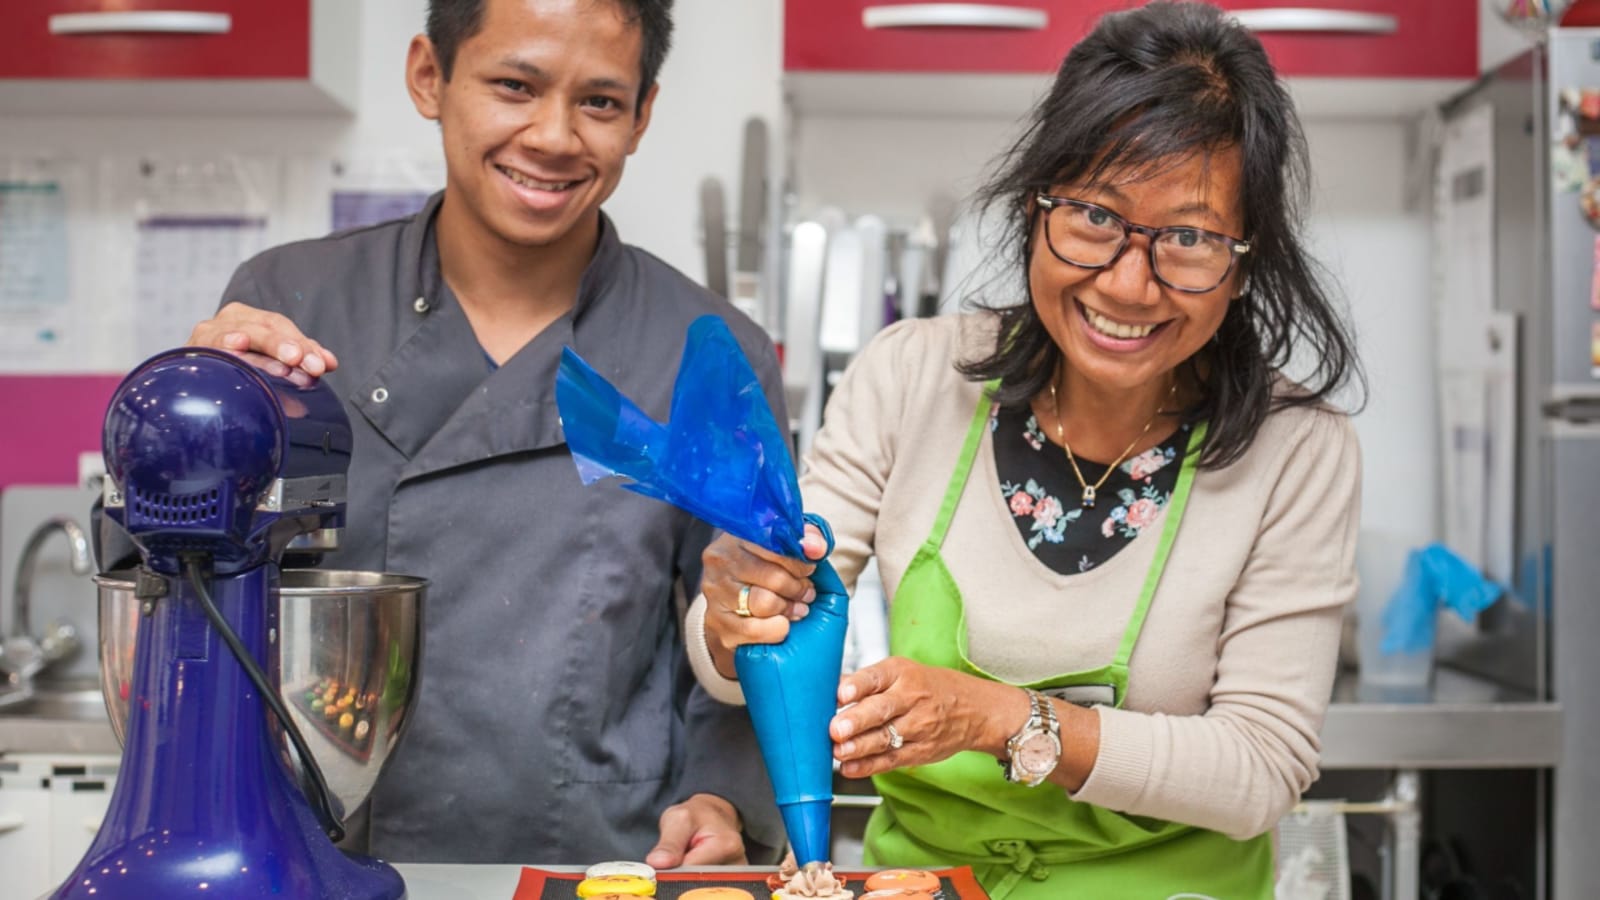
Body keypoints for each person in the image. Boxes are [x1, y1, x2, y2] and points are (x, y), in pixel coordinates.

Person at [685, 3, 1362, 898]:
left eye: (1190, 239)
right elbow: (750, 640)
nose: (1128, 282)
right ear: (1034, 205)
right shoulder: (912, 377)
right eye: (1093, 216)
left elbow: (1259, 770)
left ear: (1245, 258)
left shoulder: (1298, 448)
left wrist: (1002, 719)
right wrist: (733, 617)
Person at [180, 0, 785, 867]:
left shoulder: (706, 354)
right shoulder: (291, 303)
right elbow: (186, 586)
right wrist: (186, 422)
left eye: (601, 103)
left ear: (643, 116)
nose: (553, 135)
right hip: (312, 853)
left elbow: (746, 633)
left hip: (593, 864)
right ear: (431, 76)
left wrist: (718, 799)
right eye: (515, 86)